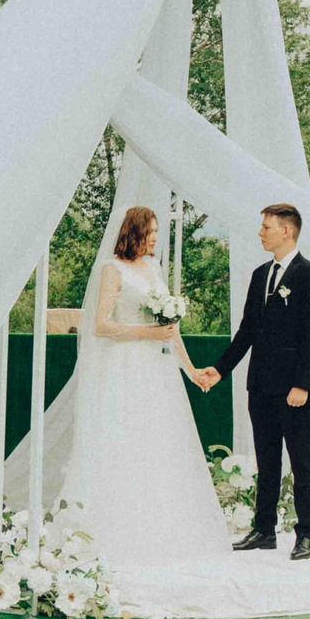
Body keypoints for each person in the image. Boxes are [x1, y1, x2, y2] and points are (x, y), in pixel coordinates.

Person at [51, 206, 230, 570]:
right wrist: (146, 334)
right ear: (133, 232)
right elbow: (100, 325)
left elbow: (171, 329)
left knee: (159, 441)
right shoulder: (112, 270)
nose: (154, 238)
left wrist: (191, 369)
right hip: (124, 365)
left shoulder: (153, 270)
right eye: (149, 231)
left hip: (157, 369)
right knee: (122, 439)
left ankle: (162, 524)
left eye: (157, 232)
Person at [196, 204, 310, 559]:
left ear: (286, 231)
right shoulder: (259, 275)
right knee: (267, 461)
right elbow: (247, 332)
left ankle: (306, 534)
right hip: (260, 386)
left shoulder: (309, 275)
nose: (260, 232)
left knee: (301, 461)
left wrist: (301, 385)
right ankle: (264, 529)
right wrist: (220, 370)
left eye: (266, 227)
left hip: (294, 390)